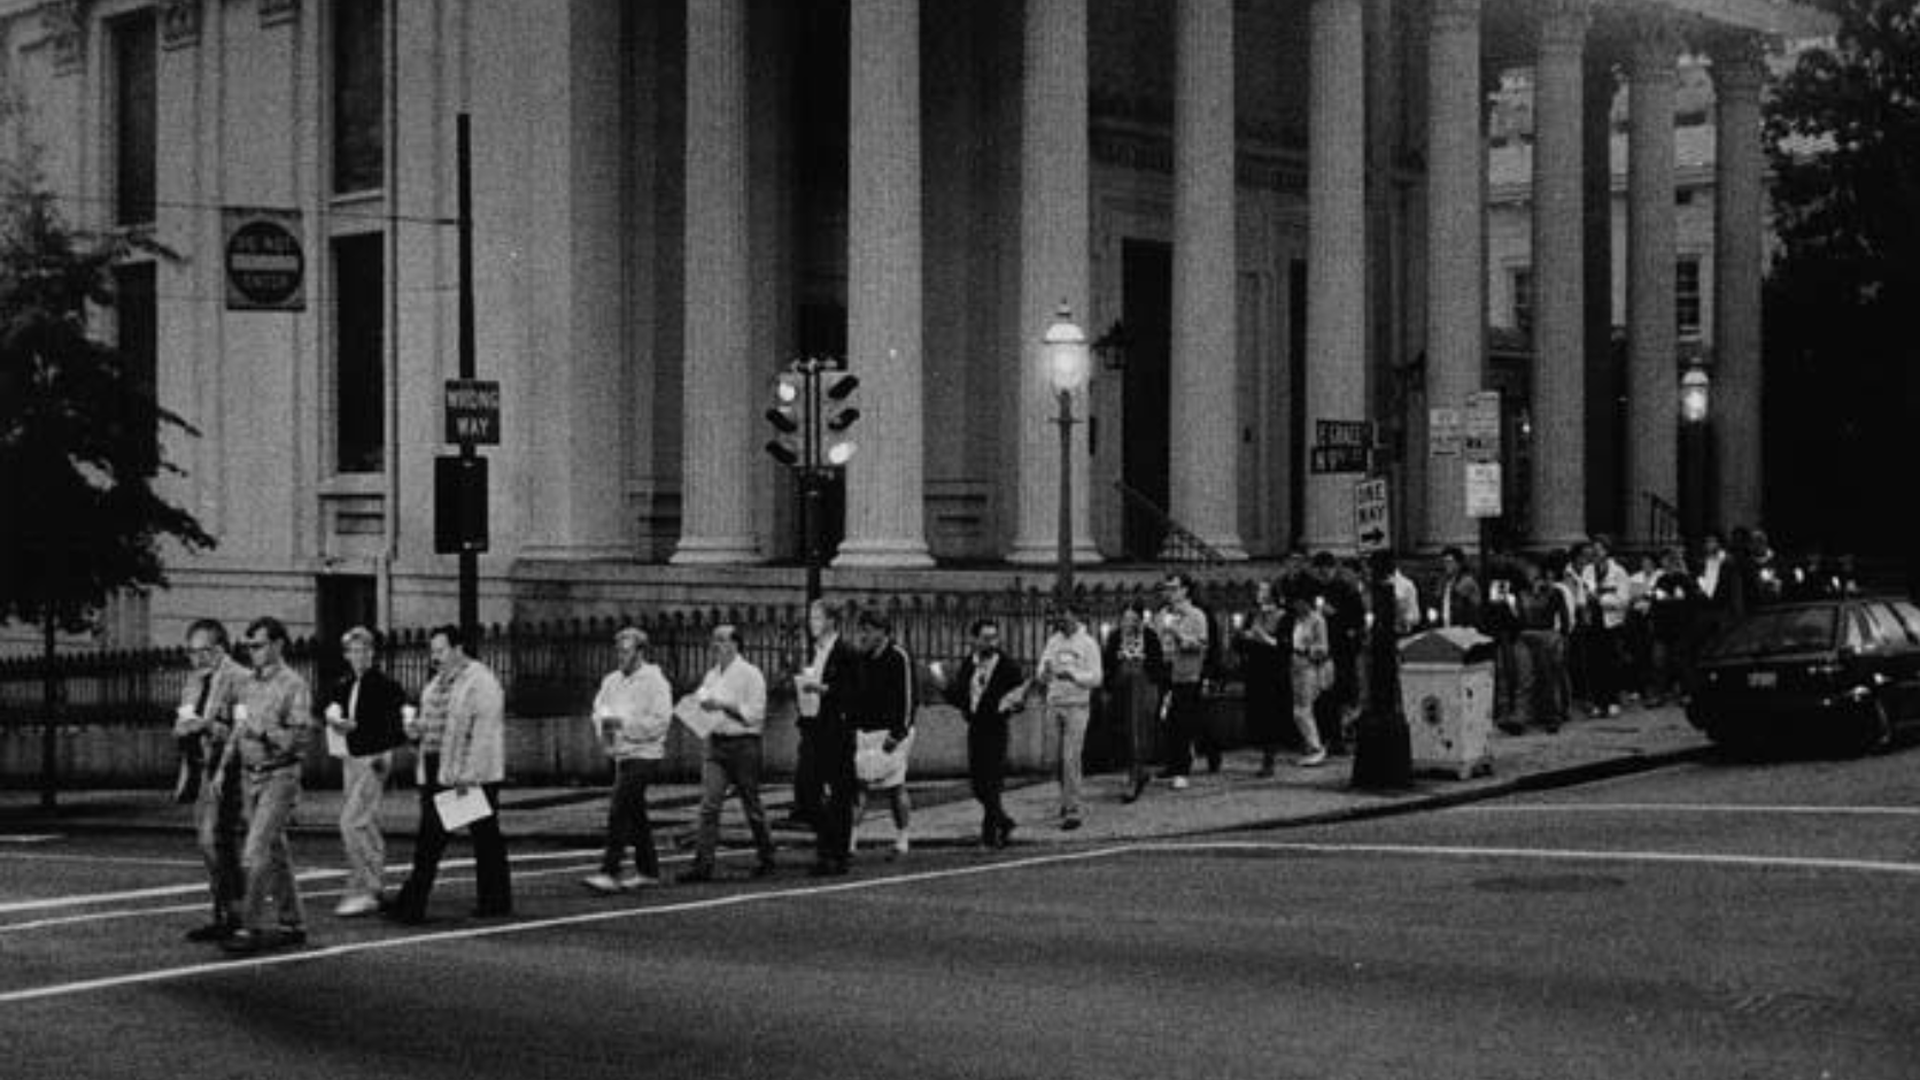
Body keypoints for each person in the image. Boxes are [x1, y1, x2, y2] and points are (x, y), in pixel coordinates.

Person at [384, 624, 512, 923]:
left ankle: (411, 905)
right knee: (484, 836)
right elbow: (431, 726)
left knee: (432, 837)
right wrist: (415, 733)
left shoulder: (480, 682)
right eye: (433, 651)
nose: (434, 656)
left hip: (464, 774)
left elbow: (484, 733)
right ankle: (496, 900)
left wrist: (469, 774)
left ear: (458, 649)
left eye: (440, 650)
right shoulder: (436, 685)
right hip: (436, 769)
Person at [213, 616, 313, 955]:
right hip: (249, 774)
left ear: (277, 645)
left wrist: (265, 733)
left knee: (255, 850)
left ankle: (250, 926)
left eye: (257, 645)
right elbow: (240, 728)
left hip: (279, 775)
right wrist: (223, 764)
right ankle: (293, 920)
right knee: (275, 850)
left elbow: (299, 739)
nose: (252, 652)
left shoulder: (293, 685)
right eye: (249, 646)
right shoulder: (248, 686)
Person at [319, 626, 409, 917]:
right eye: (354, 651)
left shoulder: (387, 686)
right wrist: (334, 719)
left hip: (375, 757)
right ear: (346, 655)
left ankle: (366, 888)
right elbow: (329, 708)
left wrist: (384, 756)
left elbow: (396, 726)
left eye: (365, 650)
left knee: (351, 822)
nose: (359, 656)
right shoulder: (344, 685)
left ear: (373, 653)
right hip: (352, 758)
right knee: (365, 823)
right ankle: (371, 882)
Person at [678, 624, 778, 883]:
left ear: (735, 644)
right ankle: (703, 864)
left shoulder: (751, 674)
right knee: (709, 805)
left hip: (743, 744)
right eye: (714, 640)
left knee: (751, 803)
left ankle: (767, 855)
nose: (716, 645)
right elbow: (704, 706)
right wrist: (696, 709)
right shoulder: (712, 676)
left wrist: (723, 705)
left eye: (722, 640)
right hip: (716, 743)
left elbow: (754, 715)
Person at [582, 626, 673, 895]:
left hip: (645, 754)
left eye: (626, 651)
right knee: (635, 813)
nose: (620, 656)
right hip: (620, 754)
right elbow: (599, 711)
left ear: (641, 652)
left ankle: (610, 871)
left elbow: (659, 722)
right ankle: (648, 870)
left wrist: (625, 726)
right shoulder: (611, 681)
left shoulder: (655, 682)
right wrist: (607, 732)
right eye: (618, 650)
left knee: (619, 808)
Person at [175, 618, 249, 942]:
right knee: (210, 844)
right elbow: (182, 721)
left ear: (220, 648)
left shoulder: (239, 678)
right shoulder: (194, 681)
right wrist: (183, 727)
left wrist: (206, 726)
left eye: (203, 651)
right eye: (191, 652)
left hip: (229, 770)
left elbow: (242, 731)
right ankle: (224, 912)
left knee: (216, 840)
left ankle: (236, 911)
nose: (197, 659)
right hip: (202, 769)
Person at [940, 617, 1027, 845]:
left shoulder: (1007, 665)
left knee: (992, 781)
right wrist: (943, 687)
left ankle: (990, 833)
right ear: (974, 640)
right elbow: (960, 697)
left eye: (994, 638)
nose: (991, 643)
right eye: (986, 638)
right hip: (976, 727)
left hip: (996, 727)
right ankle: (1004, 821)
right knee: (978, 785)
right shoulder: (969, 663)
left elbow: (1019, 695)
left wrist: (1015, 704)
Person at [796, 599, 861, 876]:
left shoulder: (846, 652)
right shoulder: (816, 652)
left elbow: (855, 692)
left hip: (837, 731)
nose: (812, 623)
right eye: (811, 618)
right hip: (813, 728)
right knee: (805, 791)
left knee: (840, 794)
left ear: (832, 621)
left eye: (817, 618)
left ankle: (836, 853)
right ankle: (829, 841)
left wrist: (823, 689)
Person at [846, 609, 918, 857]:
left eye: (868, 630)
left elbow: (909, 698)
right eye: (861, 629)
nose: (863, 635)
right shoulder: (861, 658)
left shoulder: (899, 657)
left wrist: (898, 733)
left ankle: (903, 836)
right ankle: (850, 840)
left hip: (891, 731)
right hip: (864, 730)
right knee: (859, 785)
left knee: (895, 786)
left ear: (882, 632)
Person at [1038, 606, 1102, 829]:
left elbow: (1096, 677)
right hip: (1054, 703)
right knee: (1055, 760)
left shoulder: (1088, 644)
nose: (1061, 624)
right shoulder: (1053, 642)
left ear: (1075, 617)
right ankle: (1065, 800)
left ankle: (1073, 808)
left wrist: (1074, 676)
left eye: (1065, 619)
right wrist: (1044, 673)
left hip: (1077, 705)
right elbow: (1042, 669)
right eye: (1059, 620)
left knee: (1071, 758)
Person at [1101, 604, 1165, 801]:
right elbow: (1108, 664)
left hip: (1143, 689)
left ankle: (1135, 775)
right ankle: (1137, 771)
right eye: (1125, 619)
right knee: (1127, 732)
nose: (1128, 623)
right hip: (1122, 690)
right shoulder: (1114, 637)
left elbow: (1157, 666)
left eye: (1132, 619)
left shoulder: (1150, 637)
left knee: (1140, 731)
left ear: (1140, 620)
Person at [1155, 573, 1214, 785]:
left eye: (1174, 588)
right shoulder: (1162, 614)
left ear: (1185, 590)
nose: (1169, 592)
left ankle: (1182, 770)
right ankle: (1173, 763)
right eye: (1167, 588)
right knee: (1168, 719)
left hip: (1188, 674)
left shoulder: (1196, 615)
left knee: (1183, 721)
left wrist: (1180, 636)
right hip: (1166, 672)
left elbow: (1202, 645)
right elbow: (1156, 640)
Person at [1231, 591, 1289, 776]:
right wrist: (1240, 636)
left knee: (1271, 717)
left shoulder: (1284, 618)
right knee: (1258, 716)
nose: (1262, 603)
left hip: (1274, 673)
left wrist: (1264, 638)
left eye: (1265, 597)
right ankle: (1263, 753)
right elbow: (1239, 646)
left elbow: (1285, 646)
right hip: (1255, 671)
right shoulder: (1253, 616)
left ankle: (1269, 760)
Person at [1284, 586, 1331, 767]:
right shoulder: (1296, 620)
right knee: (1299, 709)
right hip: (1295, 665)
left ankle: (1315, 747)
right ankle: (1309, 745)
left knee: (1302, 710)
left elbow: (1323, 648)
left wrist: (1306, 650)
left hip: (1309, 667)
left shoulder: (1317, 620)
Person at [1437, 546, 1483, 629]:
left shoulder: (1467, 580)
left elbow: (1458, 595)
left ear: (1459, 563)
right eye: (1444, 562)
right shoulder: (1445, 580)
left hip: (1463, 628)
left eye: (1450, 562)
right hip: (1447, 625)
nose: (1446, 565)